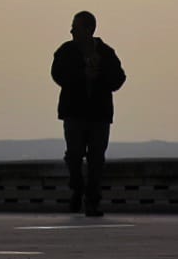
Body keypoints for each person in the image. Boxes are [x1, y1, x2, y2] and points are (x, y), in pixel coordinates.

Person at [52, 11, 127, 218]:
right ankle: (77, 187)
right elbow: (57, 74)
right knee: (74, 155)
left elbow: (118, 79)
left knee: (96, 160)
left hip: (99, 116)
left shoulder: (106, 53)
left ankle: (92, 202)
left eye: (75, 27)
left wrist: (100, 73)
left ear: (88, 29)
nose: (71, 31)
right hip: (74, 114)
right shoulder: (66, 51)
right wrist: (81, 75)